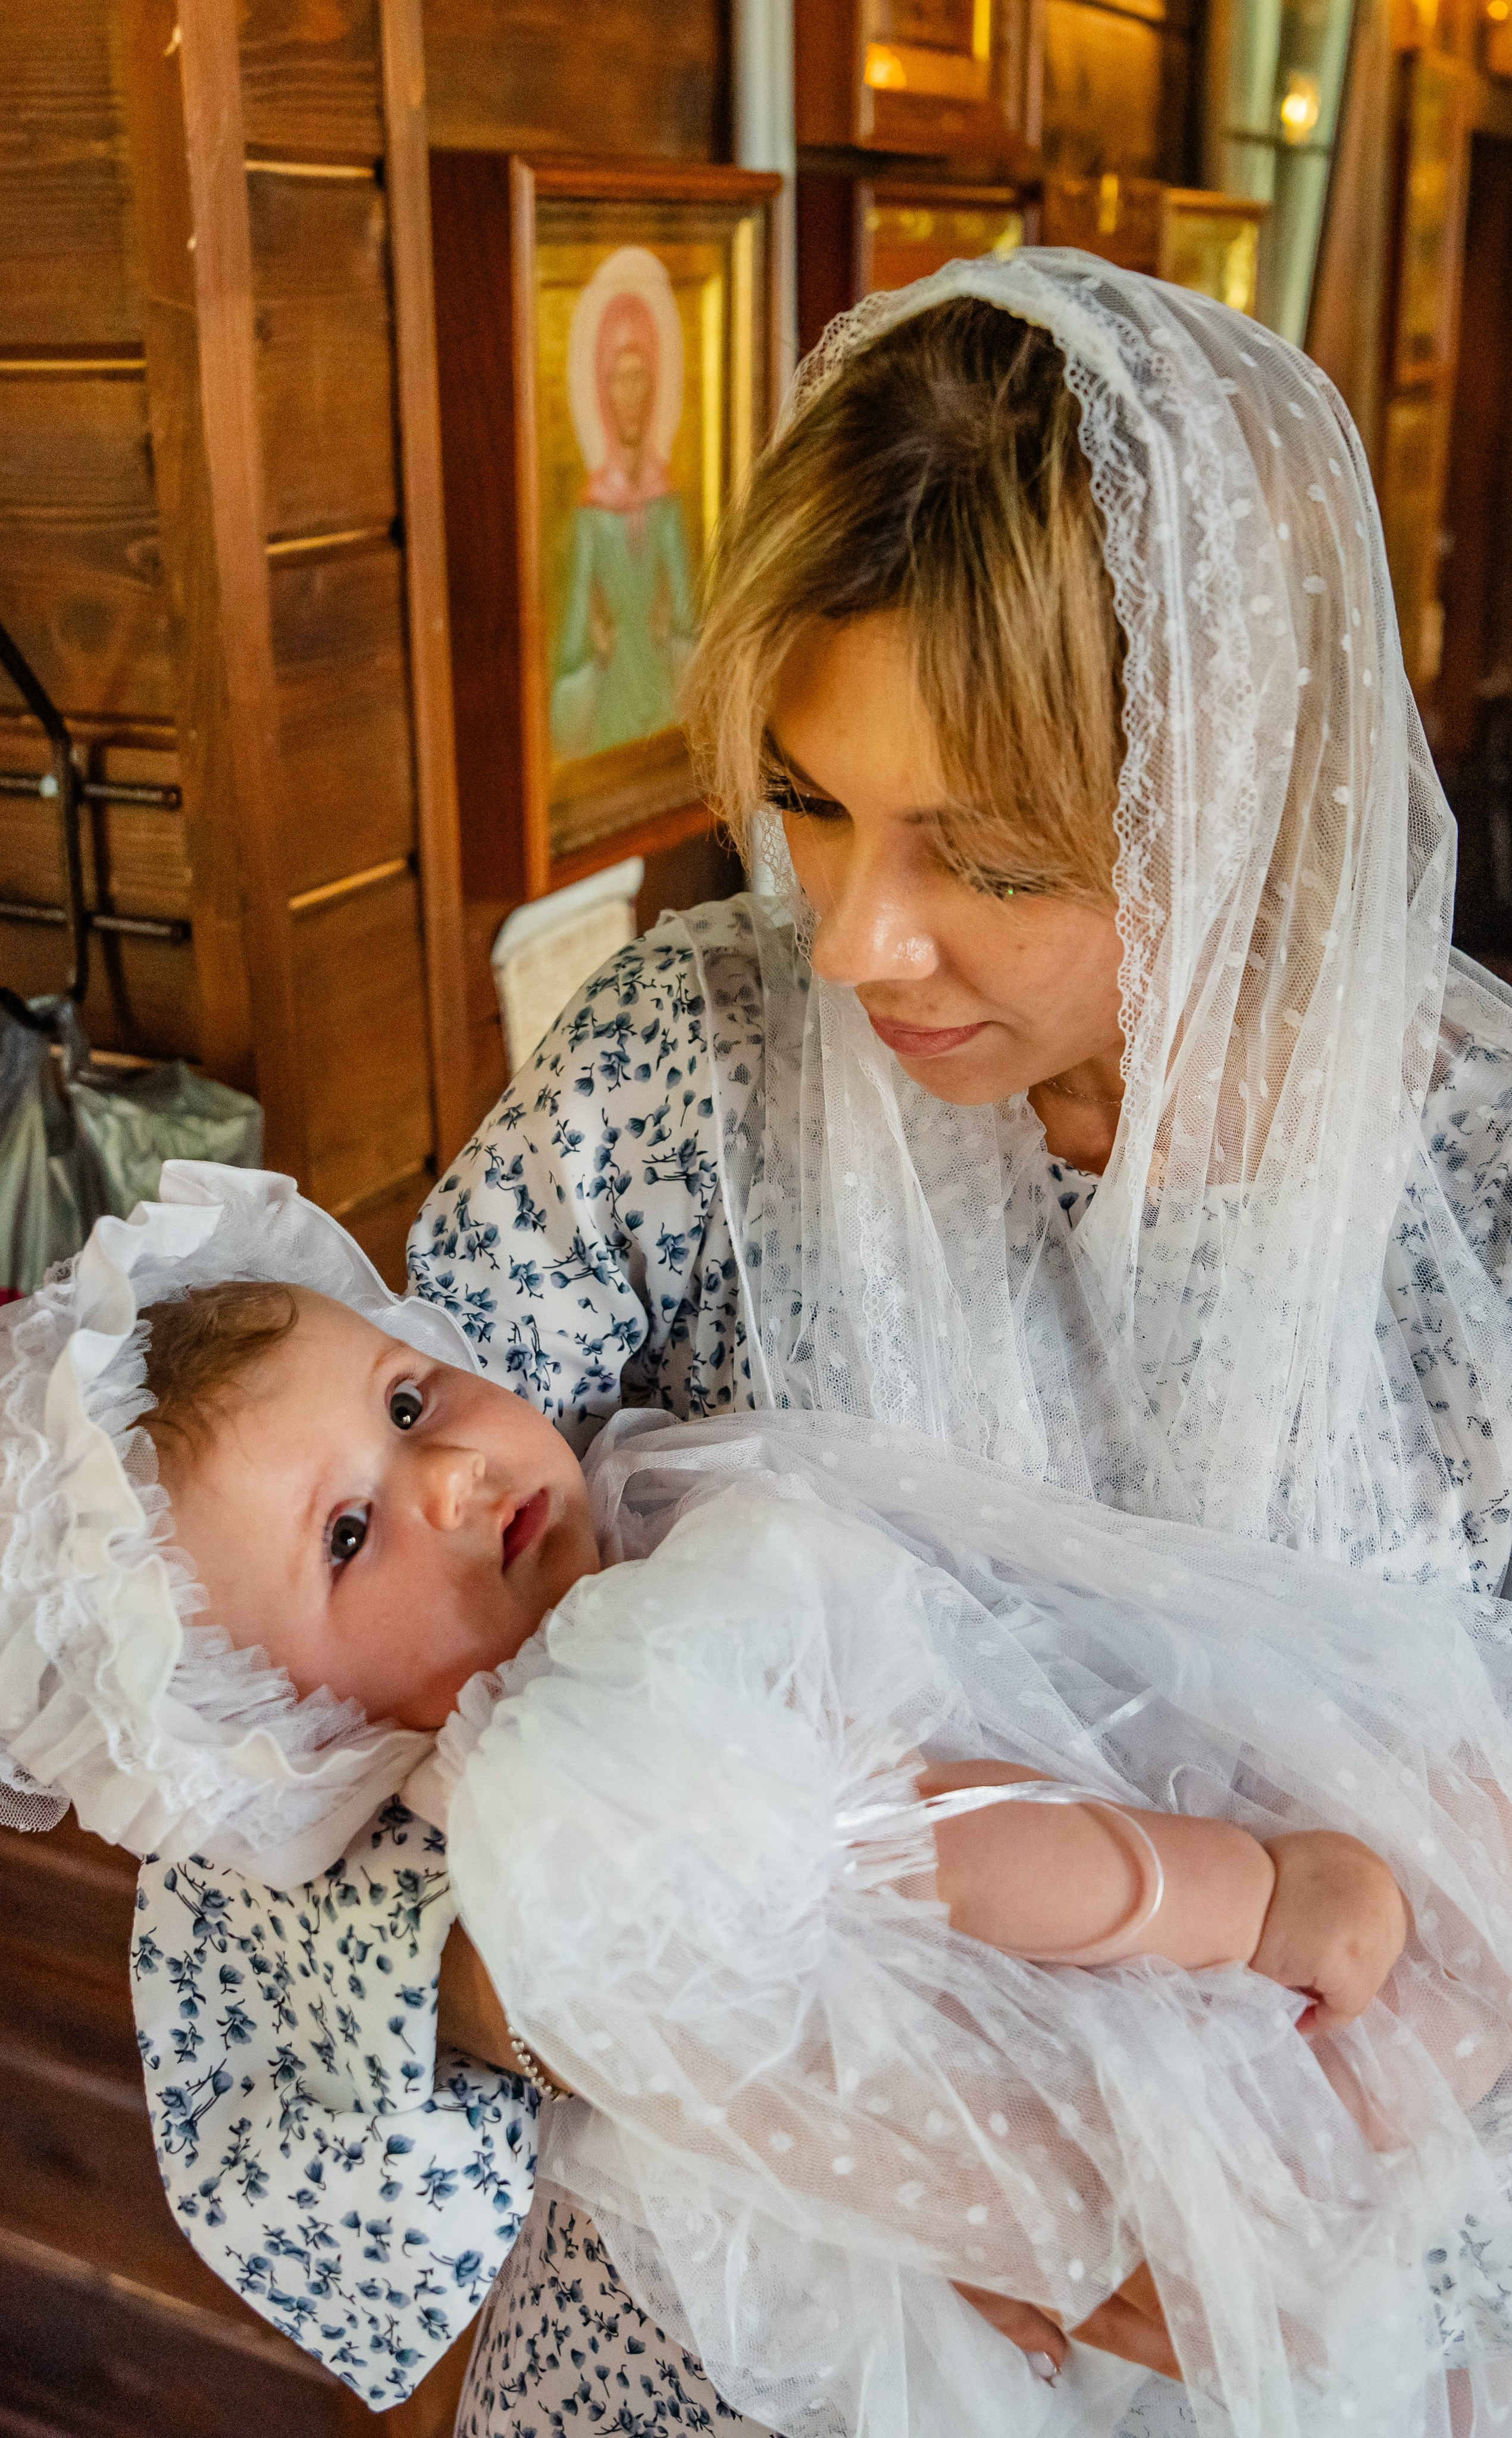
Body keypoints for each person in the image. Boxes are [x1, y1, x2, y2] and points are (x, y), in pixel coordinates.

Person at [123, 249, 1512, 2433]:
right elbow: (245, 1747)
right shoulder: (681, 1072)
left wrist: (1312, 2168)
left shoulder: (1479, 1201)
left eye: (996, 855)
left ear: (1241, 783)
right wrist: (935, 2133)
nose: (856, 934)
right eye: (810, 797)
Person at [10, 1169, 1512, 2437]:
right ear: (290, 1723)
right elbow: (936, 1837)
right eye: (348, 1533)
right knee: (1417, 1985)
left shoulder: (591, 1619)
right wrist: (1245, 1893)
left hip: (1012, 2133)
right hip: (1095, 2035)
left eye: (406, 1398)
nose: (455, 1473)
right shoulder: (595, 1739)